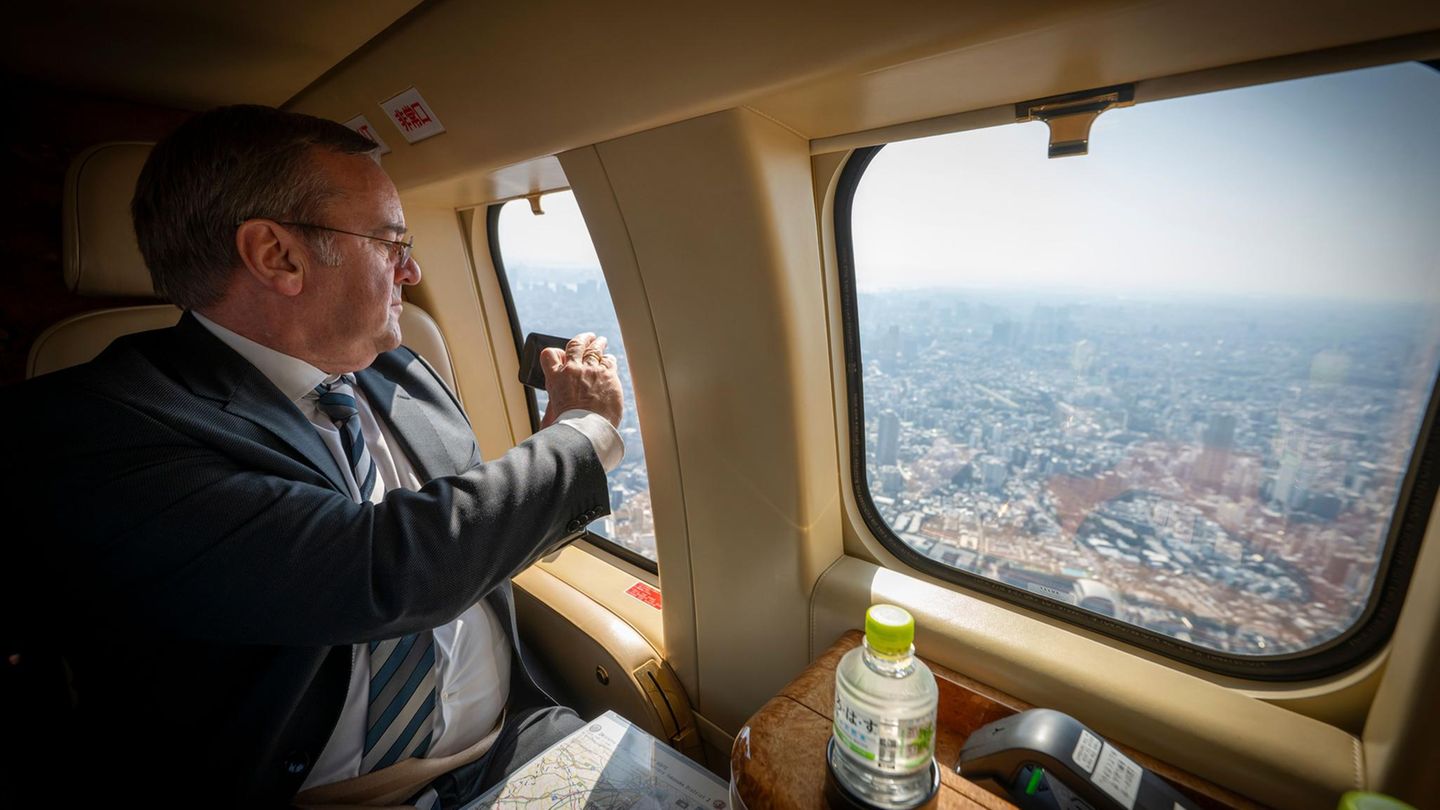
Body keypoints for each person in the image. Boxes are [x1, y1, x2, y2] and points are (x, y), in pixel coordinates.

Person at [2, 105, 625, 806]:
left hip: (511, 743)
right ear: (277, 255)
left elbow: (473, 543)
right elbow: (376, 571)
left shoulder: (407, 375)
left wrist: (552, 463)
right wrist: (578, 438)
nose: (412, 271)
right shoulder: (92, 428)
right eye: (391, 242)